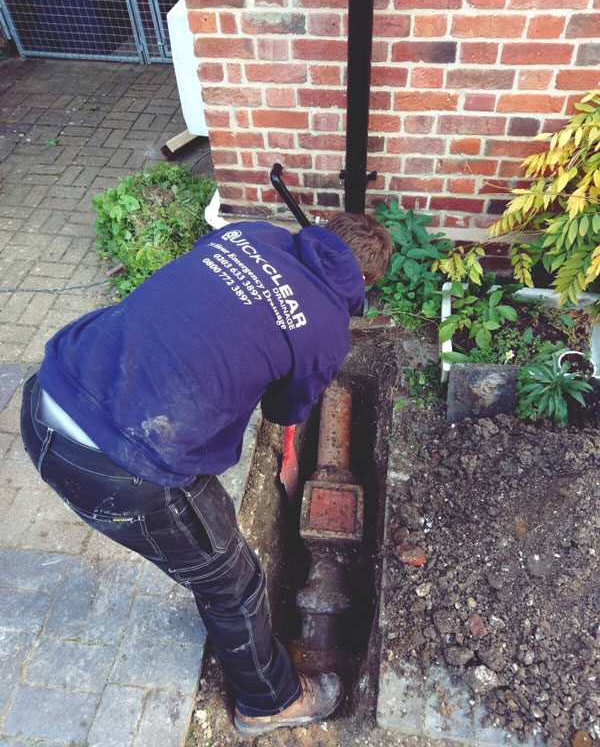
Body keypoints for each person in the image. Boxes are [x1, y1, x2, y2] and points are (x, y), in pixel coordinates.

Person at [20, 211, 392, 736]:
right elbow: (286, 412)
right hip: (122, 462)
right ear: (365, 280)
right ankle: (268, 702)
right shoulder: (328, 328)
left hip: (48, 395)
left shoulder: (251, 233)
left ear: (321, 231)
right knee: (234, 585)